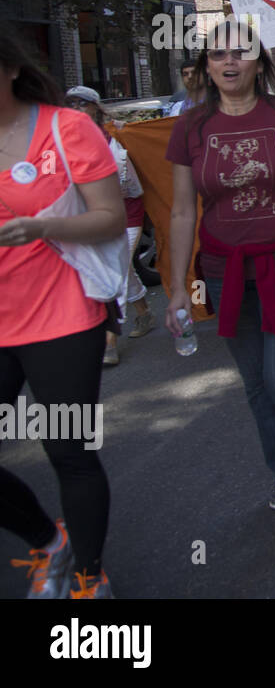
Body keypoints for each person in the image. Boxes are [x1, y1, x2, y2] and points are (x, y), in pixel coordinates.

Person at [165, 17, 275, 517]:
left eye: (239, 52)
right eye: (217, 54)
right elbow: (182, 210)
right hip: (224, 270)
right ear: (207, 65)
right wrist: (177, 287)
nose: (228, 61)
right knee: (256, 382)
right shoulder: (191, 125)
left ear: (256, 62)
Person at [1, 36, 125, 598]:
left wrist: (41, 227)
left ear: (9, 72)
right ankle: (47, 540)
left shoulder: (66, 129)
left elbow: (107, 219)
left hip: (62, 317)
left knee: (68, 451)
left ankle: (87, 575)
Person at [64, 86, 154, 365]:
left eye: (82, 103)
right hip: (88, 219)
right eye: (71, 103)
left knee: (113, 271)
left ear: (95, 107)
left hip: (124, 215)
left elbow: (127, 180)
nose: (76, 107)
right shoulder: (62, 138)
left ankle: (108, 341)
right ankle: (143, 311)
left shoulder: (113, 135)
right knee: (121, 269)